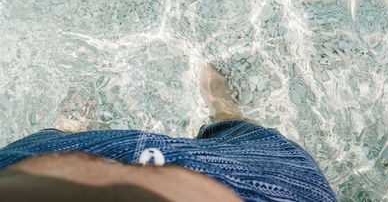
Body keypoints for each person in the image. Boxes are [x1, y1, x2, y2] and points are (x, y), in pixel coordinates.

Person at [0, 64, 337, 202]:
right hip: (246, 184)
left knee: (50, 145)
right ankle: (225, 112)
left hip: (33, 174)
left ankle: (68, 132)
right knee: (250, 142)